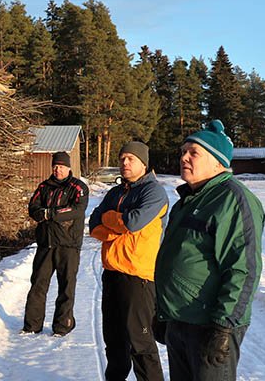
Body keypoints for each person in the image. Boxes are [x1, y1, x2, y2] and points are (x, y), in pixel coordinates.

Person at [155, 120, 265, 381]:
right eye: (183, 151)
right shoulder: (187, 201)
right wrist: (162, 310)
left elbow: (244, 269)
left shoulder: (232, 200)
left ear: (218, 162)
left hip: (209, 325)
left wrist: (224, 328)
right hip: (179, 320)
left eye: (194, 152)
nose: (184, 157)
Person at [89, 141, 167, 381]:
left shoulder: (154, 192)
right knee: (113, 341)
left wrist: (109, 218)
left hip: (138, 278)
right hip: (112, 274)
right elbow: (93, 224)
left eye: (131, 159)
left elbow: (134, 222)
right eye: (122, 158)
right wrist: (115, 227)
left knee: (140, 343)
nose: (124, 163)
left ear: (144, 163)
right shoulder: (116, 192)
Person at [22, 151, 88, 336]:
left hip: (69, 245)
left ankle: (62, 326)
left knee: (66, 287)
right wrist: (42, 213)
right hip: (46, 244)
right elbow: (33, 208)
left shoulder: (78, 187)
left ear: (68, 167)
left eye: (61, 166)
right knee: (38, 285)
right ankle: (32, 325)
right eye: (55, 166)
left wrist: (50, 214)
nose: (57, 169)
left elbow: (77, 210)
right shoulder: (44, 187)